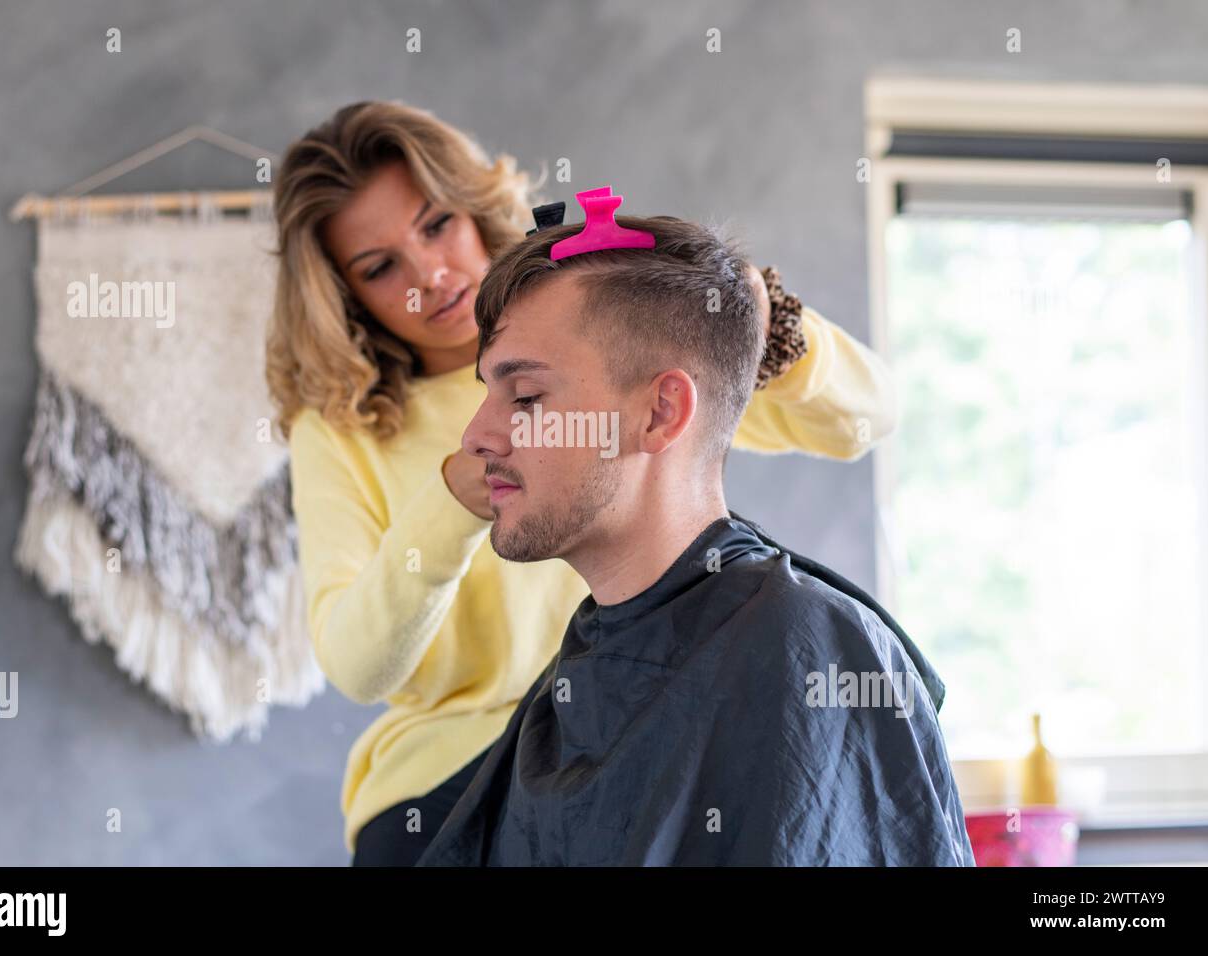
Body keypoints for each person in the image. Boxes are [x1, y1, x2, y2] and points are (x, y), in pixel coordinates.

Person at [266, 100, 899, 865]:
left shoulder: (599, 329)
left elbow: (867, 418)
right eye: (379, 267)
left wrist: (761, 321)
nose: (428, 277)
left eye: (436, 225)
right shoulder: (340, 430)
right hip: (445, 789)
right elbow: (357, 665)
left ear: (664, 408)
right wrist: (454, 503)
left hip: (625, 733)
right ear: (343, 296)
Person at [414, 209, 973, 866]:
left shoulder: (804, 651)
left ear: (660, 412)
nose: (476, 436)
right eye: (489, 392)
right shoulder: (578, 671)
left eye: (527, 396)